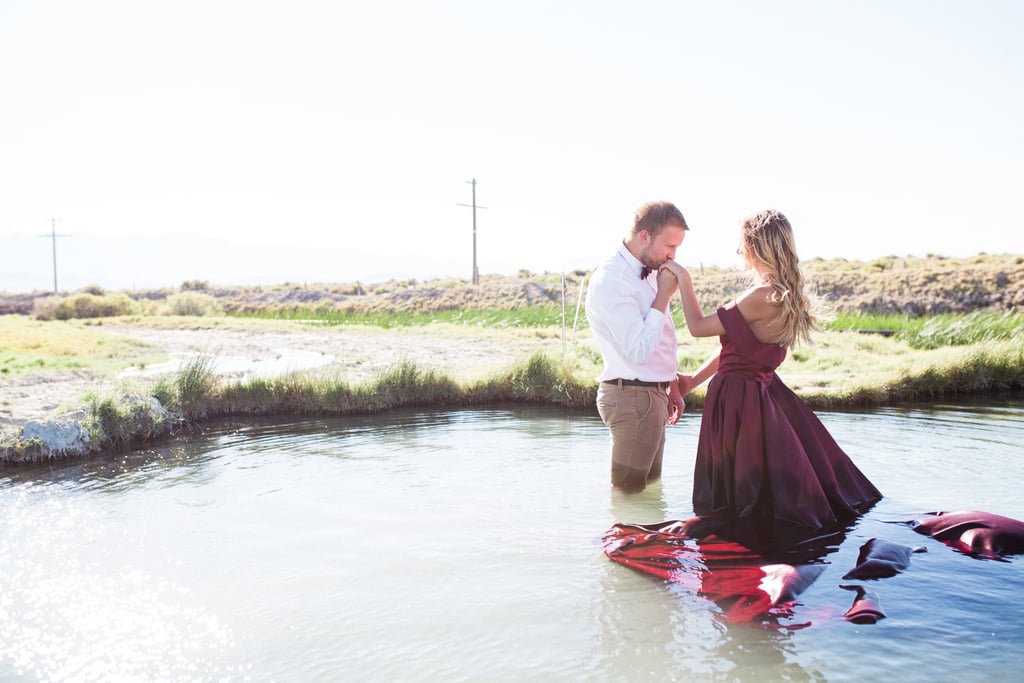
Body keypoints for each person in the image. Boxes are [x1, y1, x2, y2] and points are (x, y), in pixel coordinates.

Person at [659, 209, 881, 531]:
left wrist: (684, 280)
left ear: (756, 247)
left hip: (736, 397)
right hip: (757, 394)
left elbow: (697, 327)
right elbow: (738, 350)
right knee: (754, 482)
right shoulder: (786, 296)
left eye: (741, 244)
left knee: (735, 496)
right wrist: (693, 380)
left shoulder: (761, 297)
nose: (737, 252)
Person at [585, 200, 689, 493]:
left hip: (651, 394)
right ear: (644, 236)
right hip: (632, 396)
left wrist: (672, 384)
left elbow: (661, 338)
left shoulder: (651, 271)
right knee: (628, 495)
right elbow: (638, 351)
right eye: (669, 246)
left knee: (651, 492)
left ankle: (654, 540)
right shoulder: (612, 280)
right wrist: (664, 297)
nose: (673, 255)